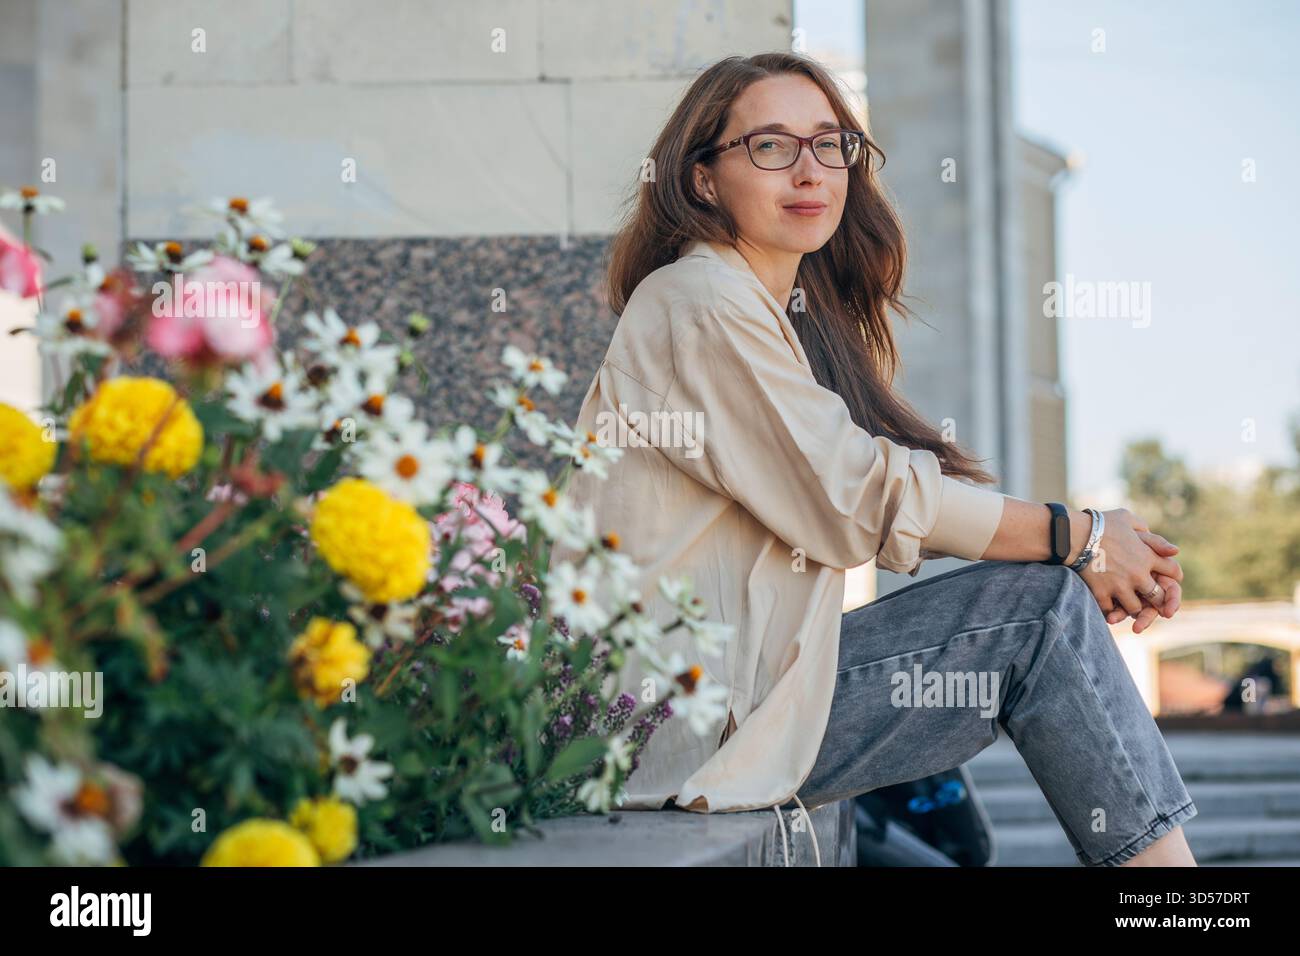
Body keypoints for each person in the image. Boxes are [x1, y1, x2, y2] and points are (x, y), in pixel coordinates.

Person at [552, 51, 1196, 866]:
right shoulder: (699, 299)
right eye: (771, 146)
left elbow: (859, 490)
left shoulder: (763, 309)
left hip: (739, 697)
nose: (810, 170)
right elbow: (856, 495)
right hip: (680, 726)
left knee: (963, 815)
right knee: (1037, 618)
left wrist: (1085, 540)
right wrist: (1080, 536)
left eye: (830, 145)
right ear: (704, 178)